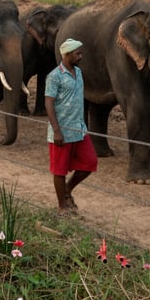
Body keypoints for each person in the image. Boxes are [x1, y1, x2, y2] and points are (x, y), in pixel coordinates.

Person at [44, 38, 98, 214]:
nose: (81, 56)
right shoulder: (54, 76)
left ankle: (67, 190)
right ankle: (62, 207)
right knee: (59, 170)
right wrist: (57, 130)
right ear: (67, 55)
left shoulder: (79, 73)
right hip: (62, 131)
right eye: (78, 53)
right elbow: (49, 103)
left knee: (90, 162)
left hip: (79, 129)